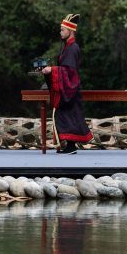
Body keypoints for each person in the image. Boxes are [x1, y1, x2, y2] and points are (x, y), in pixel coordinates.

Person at [41, 14, 93, 153]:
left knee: (68, 116)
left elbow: (69, 71)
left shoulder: (72, 48)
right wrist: (50, 70)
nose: (60, 32)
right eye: (61, 29)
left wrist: (52, 69)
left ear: (71, 31)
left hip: (70, 88)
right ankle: (69, 146)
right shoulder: (67, 47)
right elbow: (64, 69)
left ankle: (70, 146)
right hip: (68, 87)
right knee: (67, 116)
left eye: (63, 30)